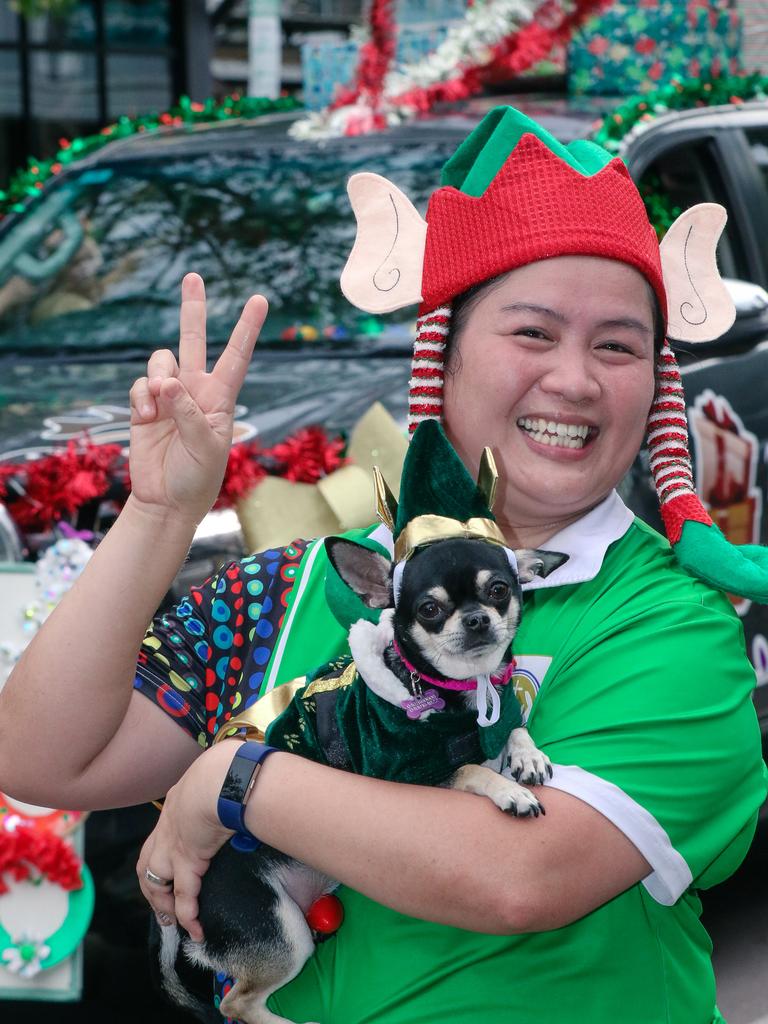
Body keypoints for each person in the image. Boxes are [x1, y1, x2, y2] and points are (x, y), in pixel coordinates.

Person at [0, 106, 765, 1024]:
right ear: (441, 357)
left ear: (656, 381)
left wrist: (235, 782)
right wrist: (162, 513)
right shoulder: (302, 584)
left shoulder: (675, 626)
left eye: (617, 345)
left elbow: (519, 875)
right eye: (531, 332)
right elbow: (47, 759)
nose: (575, 378)